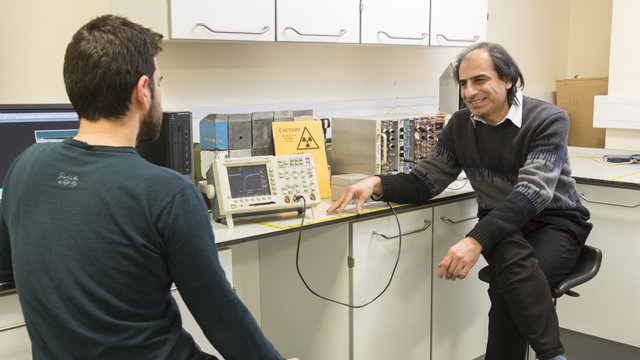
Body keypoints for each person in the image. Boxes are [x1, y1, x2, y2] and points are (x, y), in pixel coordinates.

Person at [0, 15, 298, 360]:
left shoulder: (24, 166)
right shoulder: (166, 192)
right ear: (143, 91)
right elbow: (222, 317)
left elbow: (8, 268)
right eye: (159, 82)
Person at [328, 42, 592, 360]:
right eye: (463, 83)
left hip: (555, 222)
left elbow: (532, 193)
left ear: (508, 79)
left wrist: (473, 241)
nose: (469, 92)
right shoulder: (460, 125)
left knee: (509, 287)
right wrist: (377, 184)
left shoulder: (548, 119)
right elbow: (425, 182)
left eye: (479, 80)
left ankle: (550, 356)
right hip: (501, 224)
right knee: (512, 280)